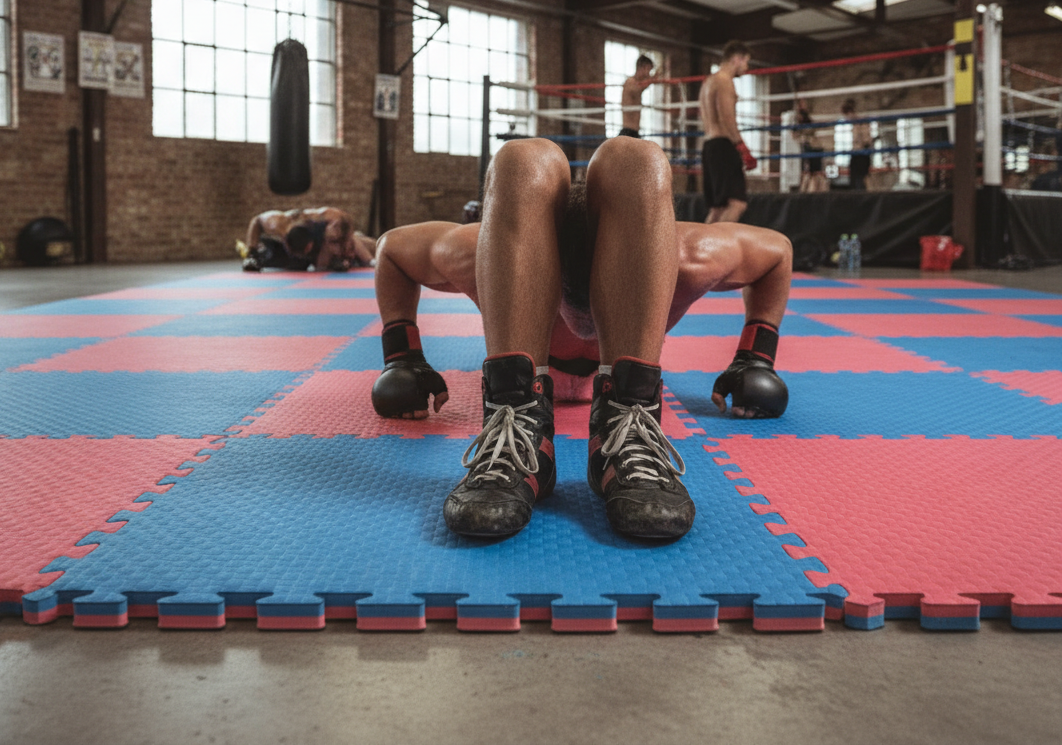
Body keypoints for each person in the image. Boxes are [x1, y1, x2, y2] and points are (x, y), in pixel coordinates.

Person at [370, 136, 791, 542]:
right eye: (578, 301)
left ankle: (630, 418)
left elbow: (776, 251)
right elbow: (390, 249)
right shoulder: (486, 255)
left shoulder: (684, 260)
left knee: (636, 160)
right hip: (524, 370)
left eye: (609, 292)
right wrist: (403, 358)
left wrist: (755, 357)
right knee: (522, 160)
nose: (587, 324)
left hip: (627, 369)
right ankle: (516, 422)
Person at [698, 40, 757, 223]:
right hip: (723, 145)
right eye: (745, 61)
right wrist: (741, 146)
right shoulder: (725, 81)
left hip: (709, 145)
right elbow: (727, 117)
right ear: (737, 59)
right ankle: (716, 250)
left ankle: (701, 250)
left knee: (718, 209)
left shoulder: (708, 81)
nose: (746, 68)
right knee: (737, 204)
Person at [240, 206, 375, 272]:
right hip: (293, 257)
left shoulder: (325, 218)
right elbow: (256, 221)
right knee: (268, 258)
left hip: (324, 246)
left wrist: (344, 247)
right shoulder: (277, 223)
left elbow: (346, 221)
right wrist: (251, 253)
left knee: (361, 242)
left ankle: (370, 260)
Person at [619, 55, 664, 138]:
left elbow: (640, 88)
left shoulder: (638, 84)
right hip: (627, 131)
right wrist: (652, 80)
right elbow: (637, 90)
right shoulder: (630, 82)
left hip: (634, 132)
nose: (648, 74)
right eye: (648, 70)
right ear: (642, 68)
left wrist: (652, 80)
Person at [796, 99, 827, 193]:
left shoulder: (807, 124)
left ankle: (816, 190)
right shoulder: (801, 125)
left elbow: (808, 132)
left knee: (814, 171)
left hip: (813, 148)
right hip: (810, 147)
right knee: (809, 171)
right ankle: (810, 190)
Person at [842, 98, 871, 191]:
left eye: (847, 115)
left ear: (851, 112)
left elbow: (867, 140)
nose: (847, 118)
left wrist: (862, 146)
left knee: (860, 180)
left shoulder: (862, 122)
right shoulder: (855, 124)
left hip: (861, 155)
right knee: (855, 179)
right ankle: (857, 198)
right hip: (857, 154)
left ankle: (861, 199)